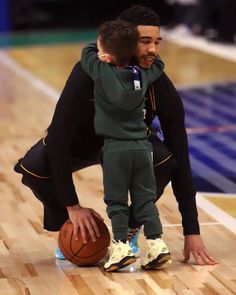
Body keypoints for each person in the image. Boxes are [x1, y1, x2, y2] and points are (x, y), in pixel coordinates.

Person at [14, 5, 218, 266]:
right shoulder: (86, 72)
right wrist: (72, 206)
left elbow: (180, 151)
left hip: (129, 142)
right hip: (82, 141)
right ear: (125, 41)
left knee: (166, 162)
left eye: (157, 41)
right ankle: (73, 227)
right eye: (145, 42)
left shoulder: (157, 81)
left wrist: (192, 230)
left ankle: (130, 229)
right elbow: (58, 138)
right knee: (33, 168)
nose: (154, 49)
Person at [80, 20, 171, 271]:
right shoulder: (143, 74)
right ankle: (155, 245)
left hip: (115, 149)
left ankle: (120, 247)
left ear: (106, 55)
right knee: (145, 199)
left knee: (117, 202)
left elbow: (86, 54)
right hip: (143, 148)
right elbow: (159, 65)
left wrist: (101, 49)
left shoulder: (100, 70)